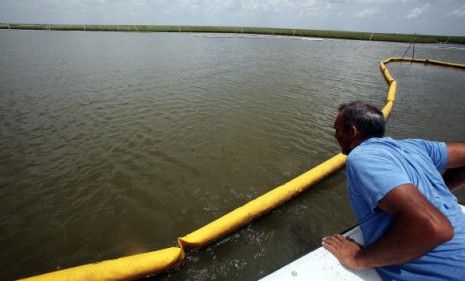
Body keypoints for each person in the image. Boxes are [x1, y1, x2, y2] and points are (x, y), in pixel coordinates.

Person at [322, 102, 465, 280]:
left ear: (352, 132)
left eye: (338, 130)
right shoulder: (416, 147)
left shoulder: (361, 156)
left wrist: (356, 258)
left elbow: (433, 226)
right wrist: (441, 187)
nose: (336, 135)